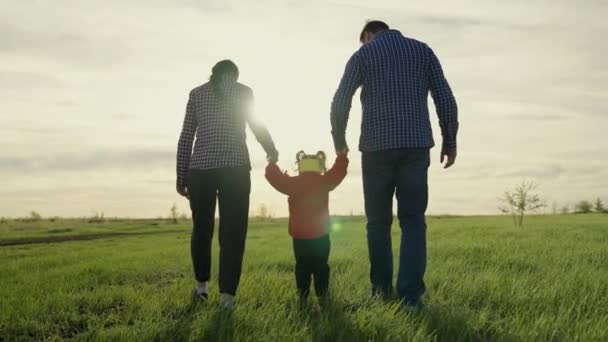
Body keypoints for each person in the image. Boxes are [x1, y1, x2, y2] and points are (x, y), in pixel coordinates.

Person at [330, 20, 459, 309]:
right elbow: (445, 98)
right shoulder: (422, 51)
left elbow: (341, 100)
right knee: (413, 222)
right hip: (415, 146)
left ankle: (381, 292)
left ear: (367, 35)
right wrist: (449, 139)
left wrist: (339, 139)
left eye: (363, 40)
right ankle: (411, 297)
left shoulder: (364, 54)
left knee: (378, 223)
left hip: (376, 148)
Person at [176, 60, 279, 309]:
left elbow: (186, 136)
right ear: (234, 75)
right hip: (235, 170)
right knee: (233, 232)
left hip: (200, 171)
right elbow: (257, 125)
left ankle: (201, 288)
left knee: (201, 229)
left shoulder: (197, 93)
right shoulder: (244, 92)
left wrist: (181, 176)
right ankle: (227, 298)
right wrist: (271, 150)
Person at [265, 151, 348, 303]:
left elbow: (275, 179)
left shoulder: (293, 183)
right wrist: (342, 156)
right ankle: (323, 296)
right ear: (318, 165)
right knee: (321, 267)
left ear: (301, 166)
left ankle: (302, 297)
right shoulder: (324, 181)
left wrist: (271, 163)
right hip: (321, 235)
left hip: (300, 236)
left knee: (302, 267)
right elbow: (338, 172)